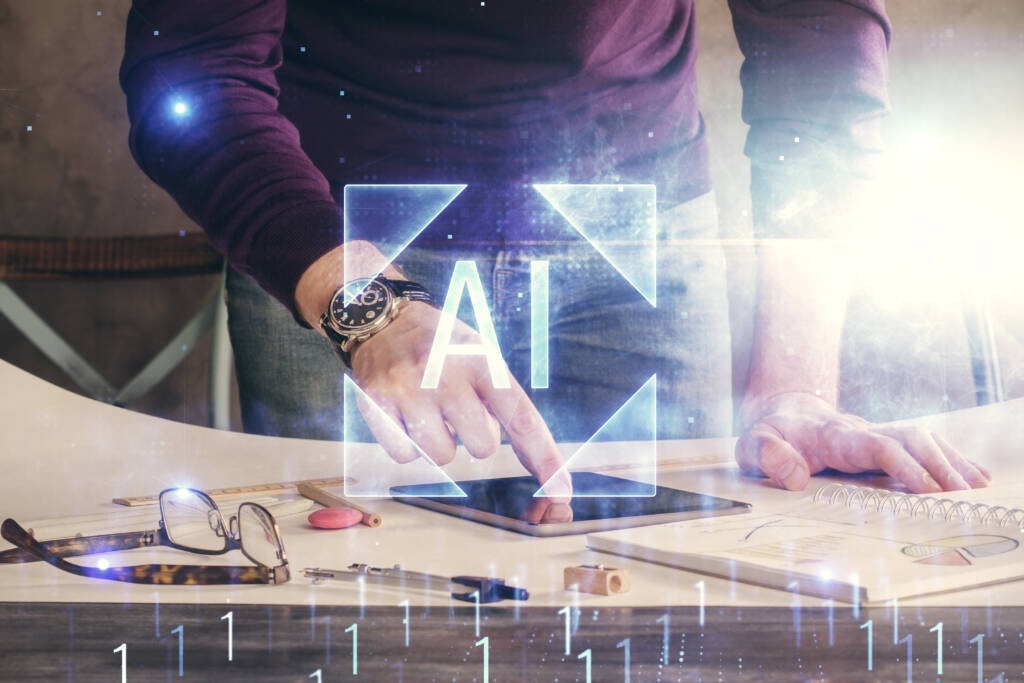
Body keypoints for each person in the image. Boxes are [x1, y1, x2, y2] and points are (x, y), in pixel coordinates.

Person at [119, 0, 990, 521]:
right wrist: (366, 306)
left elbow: (819, 54)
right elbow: (189, 74)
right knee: (364, 620)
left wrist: (795, 387)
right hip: (343, 230)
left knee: (670, 621)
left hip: (637, 234)